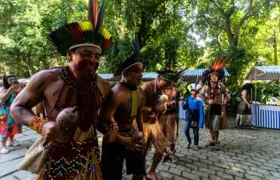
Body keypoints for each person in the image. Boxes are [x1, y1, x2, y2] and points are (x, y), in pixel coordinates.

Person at [10, 0, 112, 179]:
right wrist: (41, 125)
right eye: (86, 54)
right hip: (56, 154)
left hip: (89, 154)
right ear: (70, 54)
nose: (93, 60)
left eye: (97, 56)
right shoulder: (47, 78)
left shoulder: (103, 86)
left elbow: (106, 119)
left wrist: (114, 130)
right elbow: (16, 108)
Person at [99, 38, 146, 180]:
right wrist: (123, 140)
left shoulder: (139, 92)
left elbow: (139, 115)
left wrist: (142, 133)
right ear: (125, 73)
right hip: (114, 140)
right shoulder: (116, 93)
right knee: (112, 177)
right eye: (136, 71)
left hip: (132, 135)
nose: (141, 75)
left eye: (141, 71)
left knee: (139, 172)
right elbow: (102, 124)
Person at [141, 68, 182, 180]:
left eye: (171, 84)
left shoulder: (163, 89)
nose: (168, 87)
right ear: (159, 79)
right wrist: (155, 108)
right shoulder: (146, 87)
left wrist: (164, 107)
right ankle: (142, 174)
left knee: (161, 149)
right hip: (142, 123)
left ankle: (152, 171)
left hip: (154, 123)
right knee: (142, 152)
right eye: (167, 83)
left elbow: (161, 108)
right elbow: (137, 108)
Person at [199, 57, 228, 151]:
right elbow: (200, 95)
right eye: (212, 75)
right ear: (210, 77)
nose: (214, 77)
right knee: (210, 125)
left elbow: (227, 94)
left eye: (216, 75)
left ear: (218, 77)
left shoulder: (221, 86)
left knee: (215, 125)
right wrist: (207, 101)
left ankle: (216, 142)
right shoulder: (206, 86)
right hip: (208, 108)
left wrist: (224, 101)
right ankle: (212, 140)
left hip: (217, 108)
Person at [159, 68, 182, 164]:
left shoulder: (177, 90)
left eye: (172, 79)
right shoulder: (160, 90)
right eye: (168, 79)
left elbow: (178, 105)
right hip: (162, 116)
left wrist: (176, 116)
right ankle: (165, 153)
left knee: (171, 135)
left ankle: (172, 153)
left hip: (172, 115)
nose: (170, 81)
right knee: (162, 135)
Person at [0, 75, 22, 154]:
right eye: (10, 80)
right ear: (6, 81)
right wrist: (10, 90)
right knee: (5, 129)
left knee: (13, 127)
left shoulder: (15, 89)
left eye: (14, 79)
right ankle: (3, 146)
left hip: (13, 110)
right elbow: (3, 98)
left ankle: (11, 142)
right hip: (5, 111)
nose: (12, 81)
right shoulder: (3, 89)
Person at [181, 83, 204, 151]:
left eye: (195, 91)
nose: (194, 92)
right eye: (192, 90)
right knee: (185, 130)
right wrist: (183, 104)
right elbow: (184, 108)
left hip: (195, 119)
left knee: (195, 132)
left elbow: (201, 112)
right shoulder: (188, 99)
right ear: (190, 91)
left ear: (197, 92)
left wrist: (201, 122)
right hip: (189, 118)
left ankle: (196, 144)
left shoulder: (199, 101)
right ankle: (189, 140)